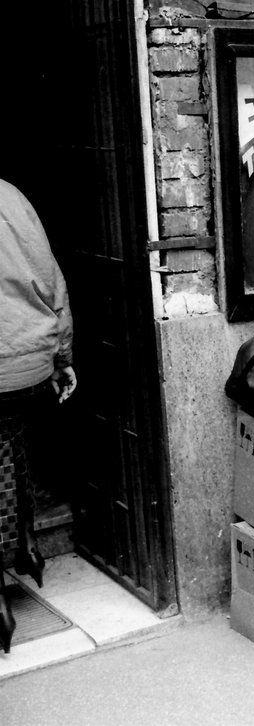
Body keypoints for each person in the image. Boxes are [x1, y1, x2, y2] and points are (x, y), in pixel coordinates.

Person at [0, 178, 77, 653]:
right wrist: (62, 357)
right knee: (8, 444)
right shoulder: (12, 197)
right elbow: (52, 281)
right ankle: (26, 541)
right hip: (27, 364)